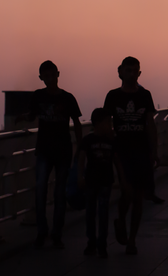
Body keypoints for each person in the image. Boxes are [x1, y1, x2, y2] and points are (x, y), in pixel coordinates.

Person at [23, 60, 83, 249]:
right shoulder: (38, 97)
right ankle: (43, 231)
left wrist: (80, 147)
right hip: (44, 151)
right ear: (41, 78)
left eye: (52, 75)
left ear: (58, 74)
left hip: (63, 151)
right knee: (40, 189)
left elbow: (77, 122)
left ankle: (56, 233)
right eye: (46, 76)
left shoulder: (68, 98)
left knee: (59, 193)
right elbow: (32, 116)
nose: (50, 79)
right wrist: (21, 117)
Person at [104, 56, 158, 256]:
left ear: (139, 73)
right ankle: (120, 220)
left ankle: (132, 240)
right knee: (126, 191)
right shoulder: (112, 96)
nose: (132, 74)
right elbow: (106, 123)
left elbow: (149, 123)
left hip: (141, 150)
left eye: (135, 71)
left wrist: (154, 150)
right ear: (120, 72)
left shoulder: (145, 95)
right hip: (121, 151)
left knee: (138, 196)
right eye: (128, 70)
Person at [78, 107, 115, 257]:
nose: (110, 125)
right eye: (108, 122)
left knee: (102, 212)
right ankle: (93, 242)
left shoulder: (111, 141)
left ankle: (100, 243)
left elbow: (117, 160)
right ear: (98, 123)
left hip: (105, 180)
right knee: (92, 212)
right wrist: (80, 176)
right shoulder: (88, 140)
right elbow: (81, 159)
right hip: (92, 180)